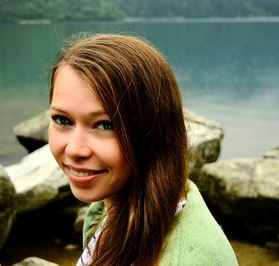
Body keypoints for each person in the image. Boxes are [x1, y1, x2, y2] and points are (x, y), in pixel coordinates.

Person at [48, 33, 238, 266]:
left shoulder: (191, 259)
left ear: (154, 130)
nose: (75, 149)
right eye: (63, 120)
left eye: (106, 125)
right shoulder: (109, 209)